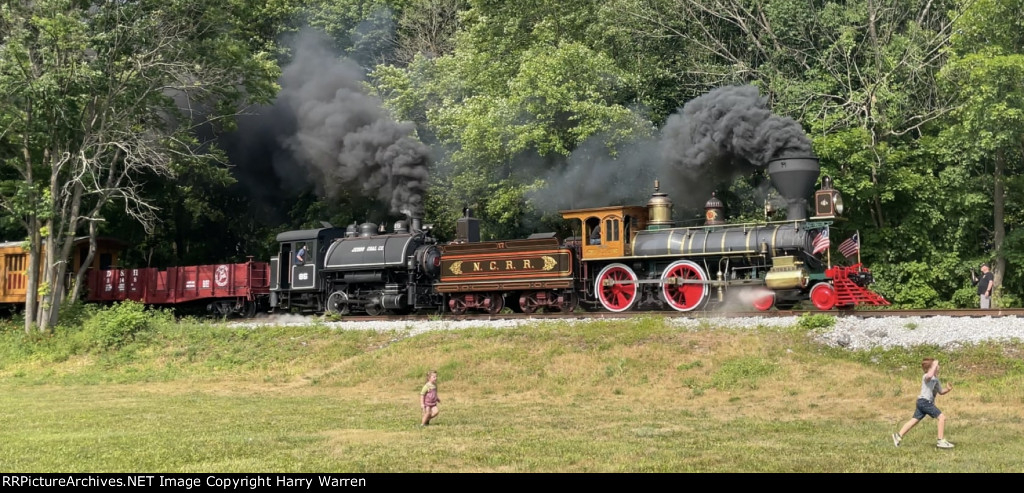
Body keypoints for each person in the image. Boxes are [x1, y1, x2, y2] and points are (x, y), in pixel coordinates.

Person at [892, 358, 954, 449]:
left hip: (922, 403)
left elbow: (940, 392)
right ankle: (940, 441)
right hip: (924, 402)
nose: (938, 367)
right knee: (942, 417)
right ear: (931, 368)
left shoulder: (936, 380)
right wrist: (934, 365)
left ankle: (898, 436)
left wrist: (948, 389)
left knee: (914, 420)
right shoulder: (926, 376)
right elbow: (929, 376)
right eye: (936, 366)